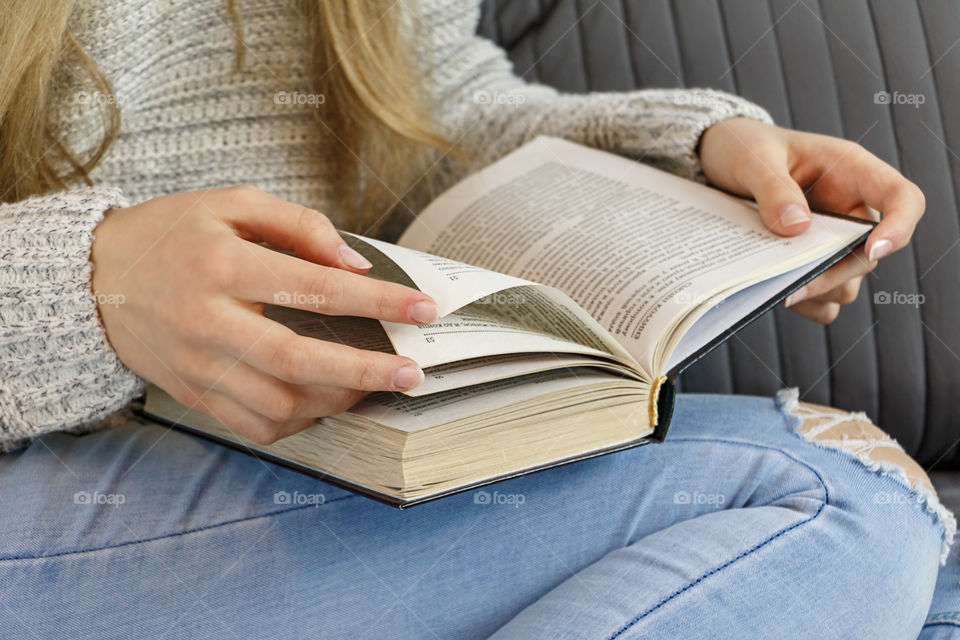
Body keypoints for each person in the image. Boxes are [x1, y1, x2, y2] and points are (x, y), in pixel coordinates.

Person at [0, 1, 954, 638]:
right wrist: (92, 285)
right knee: (847, 503)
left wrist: (694, 159)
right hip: (44, 468)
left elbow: (435, 108)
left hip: (299, 444)